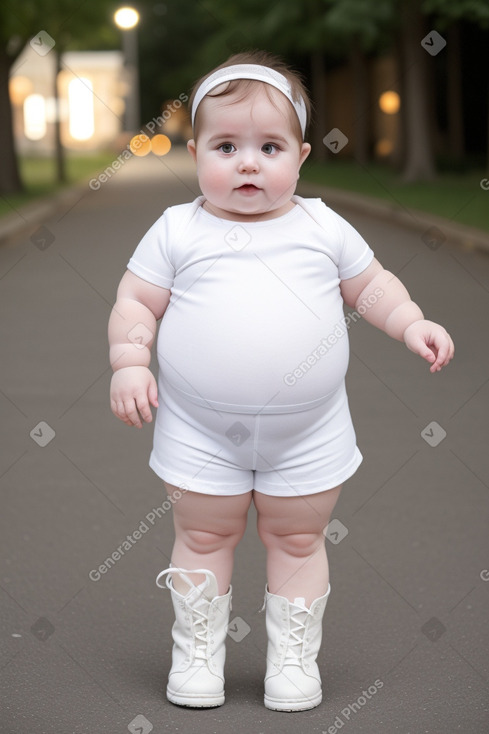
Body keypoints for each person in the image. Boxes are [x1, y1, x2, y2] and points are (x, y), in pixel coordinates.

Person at [108, 50, 454, 712]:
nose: (247, 162)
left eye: (268, 147)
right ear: (194, 151)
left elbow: (371, 285)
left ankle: (292, 660)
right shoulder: (177, 229)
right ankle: (198, 653)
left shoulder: (320, 224)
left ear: (299, 156)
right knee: (203, 535)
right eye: (226, 145)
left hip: (309, 431)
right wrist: (129, 360)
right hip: (199, 429)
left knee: (298, 537)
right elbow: (135, 303)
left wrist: (409, 322)